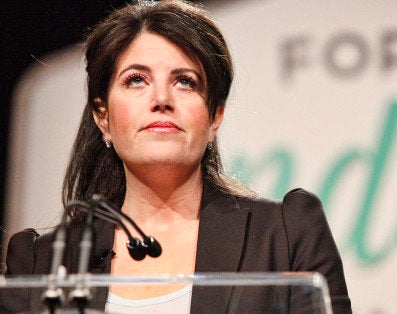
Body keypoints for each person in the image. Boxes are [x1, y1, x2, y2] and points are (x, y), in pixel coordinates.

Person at [0, 0, 351, 313]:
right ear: (102, 116)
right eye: (136, 80)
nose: (161, 99)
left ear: (215, 116)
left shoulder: (286, 234)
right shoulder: (40, 261)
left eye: (185, 81)